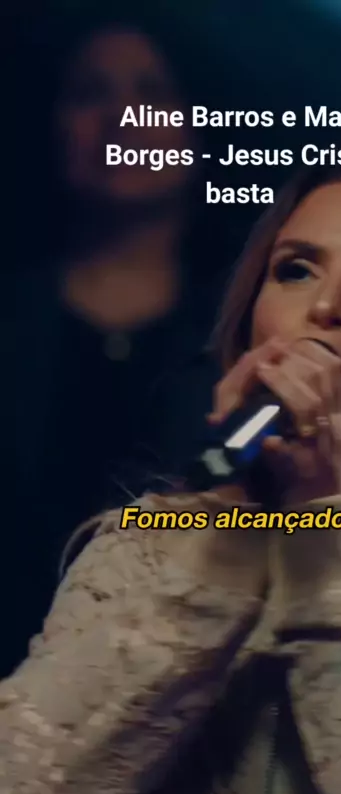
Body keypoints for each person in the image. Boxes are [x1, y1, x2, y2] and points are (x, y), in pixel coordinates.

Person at [2, 138, 341, 794]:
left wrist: (324, 539)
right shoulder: (148, 550)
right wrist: (220, 549)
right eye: (295, 270)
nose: (325, 307)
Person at [11, 11, 225, 679]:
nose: (122, 117)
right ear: (54, 127)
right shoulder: (14, 314)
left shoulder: (242, 349)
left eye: (151, 92)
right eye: (90, 92)